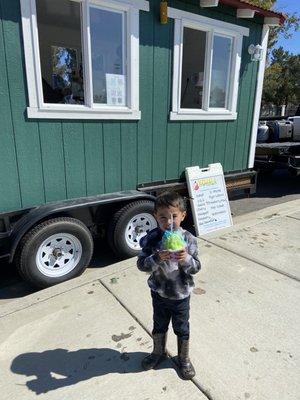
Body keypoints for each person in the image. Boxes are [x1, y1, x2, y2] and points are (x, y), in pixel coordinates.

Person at [137, 191, 201, 380]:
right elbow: (141, 265)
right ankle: (158, 352)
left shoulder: (189, 239)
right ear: (156, 217)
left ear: (183, 215)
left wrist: (186, 259)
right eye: (163, 217)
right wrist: (156, 258)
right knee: (159, 324)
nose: (169, 221)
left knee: (181, 327)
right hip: (159, 293)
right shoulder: (153, 238)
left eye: (174, 216)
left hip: (181, 295)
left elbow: (196, 267)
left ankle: (184, 358)